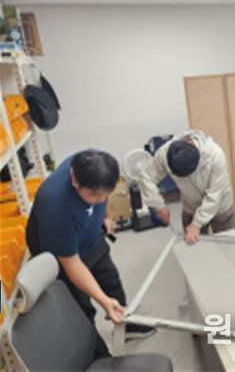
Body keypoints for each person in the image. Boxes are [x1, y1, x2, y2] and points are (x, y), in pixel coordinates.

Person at [26, 149, 154, 359]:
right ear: (74, 181)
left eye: (106, 193)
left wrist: (106, 216)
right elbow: (72, 264)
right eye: (94, 195)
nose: (101, 199)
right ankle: (97, 357)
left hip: (89, 235)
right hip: (62, 254)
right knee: (81, 307)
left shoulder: (95, 168)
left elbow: (103, 194)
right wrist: (103, 301)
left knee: (111, 280)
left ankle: (126, 324)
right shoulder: (56, 206)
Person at [139, 130, 234, 244]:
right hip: (191, 206)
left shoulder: (215, 156)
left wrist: (196, 224)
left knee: (227, 245)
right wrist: (158, 205)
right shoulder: (166, 153)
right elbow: (147, 178)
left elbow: (215, 196)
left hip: (220, 207)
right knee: (193, 246)